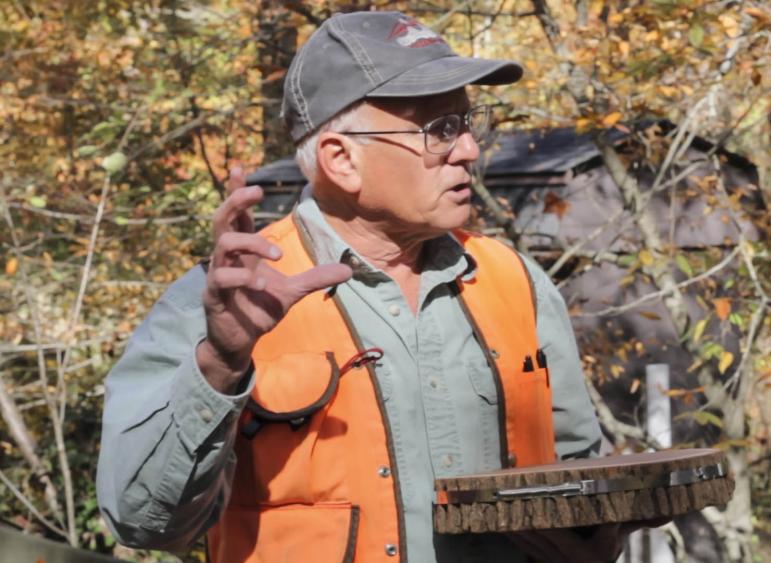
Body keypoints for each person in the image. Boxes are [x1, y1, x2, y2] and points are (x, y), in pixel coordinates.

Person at [97, 11, 631, 563]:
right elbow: (141, 521)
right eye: (441, 129)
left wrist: (593, 536)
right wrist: (221, 364)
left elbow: (574, 475)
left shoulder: (515, 282)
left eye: (469, 123)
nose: (470, 149)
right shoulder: (225, 301)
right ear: (342, 160)